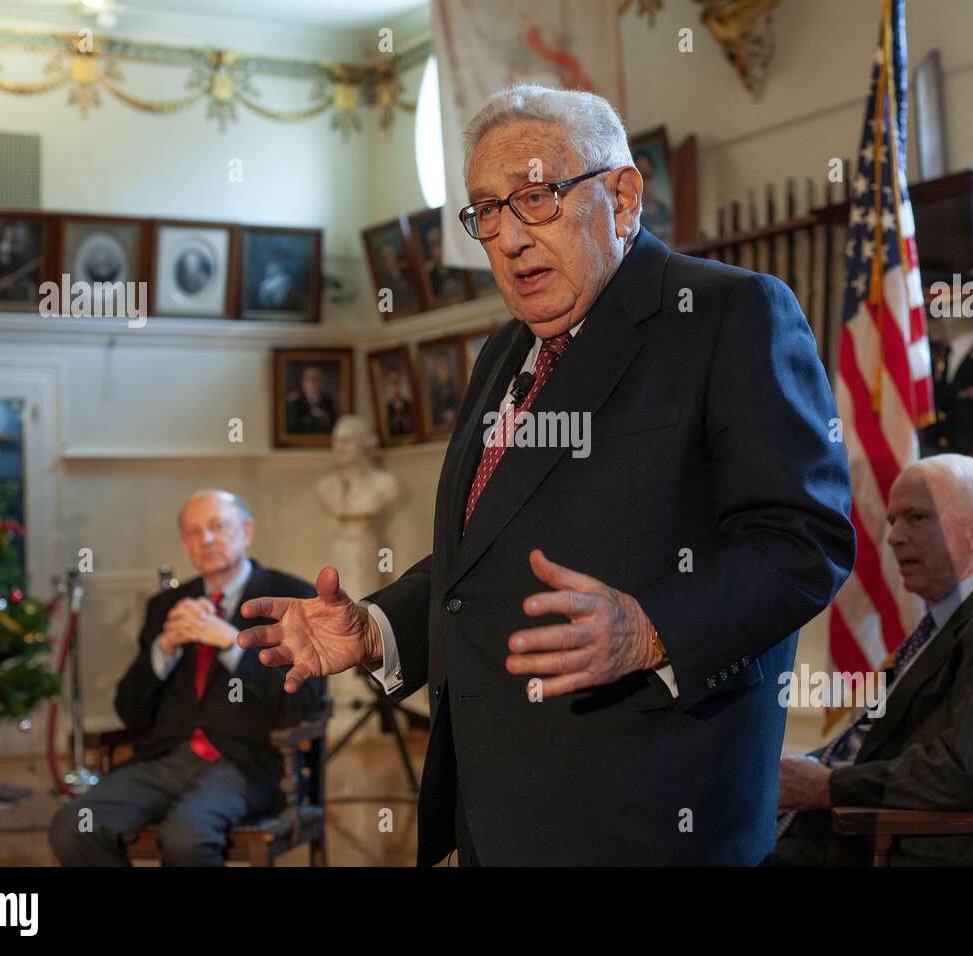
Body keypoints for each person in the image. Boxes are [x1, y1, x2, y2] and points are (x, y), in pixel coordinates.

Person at [239, 83, 854, 865]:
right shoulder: (503, 352)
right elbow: (481, 563)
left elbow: (805, 540)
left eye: (535, 197)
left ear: (623, 196)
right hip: (495, 816)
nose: (507, 236)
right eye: (486, 211)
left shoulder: (731, 314)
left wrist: (653, 628)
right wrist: (377, 629)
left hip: (650, 816)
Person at [770, 454, 973, 866]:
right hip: (856, 833)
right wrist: (804, 770)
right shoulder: (950, 617)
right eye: (893, 521)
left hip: (914, 849)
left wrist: (829, 785)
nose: (894, 537)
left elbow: (966, 774)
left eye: (916, 517)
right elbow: (877, 739)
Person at [48, 490, 325, 866]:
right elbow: (129, 710)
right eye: (193, 532)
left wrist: (230, 641)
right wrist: (164, 649)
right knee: (73, 827)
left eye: (217, 526)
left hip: (247, 762)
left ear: (246, 531)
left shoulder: (292, 598)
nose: (206, 539)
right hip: (166, 758)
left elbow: (300, 703)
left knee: (185, 837)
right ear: (184, 543)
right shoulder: (165, 606)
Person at [285, 364, 338, 435]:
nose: (313, 384)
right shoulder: (295, 402)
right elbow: (291, 430)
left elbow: (335, 427)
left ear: (322, 384)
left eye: (317, 381)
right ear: (303, 383)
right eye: (309, 380)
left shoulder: (328, 401)